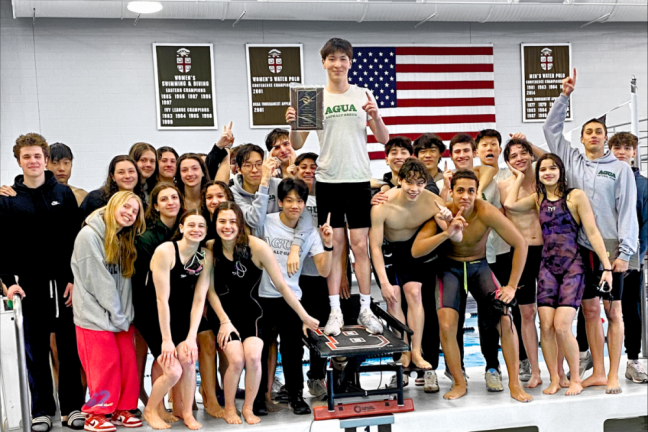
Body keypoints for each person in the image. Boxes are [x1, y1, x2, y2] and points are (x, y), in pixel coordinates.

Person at [286, 37, 389, 337]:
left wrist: (376, 116)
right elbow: (297, 143)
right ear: (324, 63)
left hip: (358, 179)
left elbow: (383, 138)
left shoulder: (363, 93)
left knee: (361, 247)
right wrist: (294, 123)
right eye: (331, 58)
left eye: (343, 58)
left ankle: (366, 308)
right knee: (334, 246)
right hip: (329, 181)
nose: (337, 64)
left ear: (350, 62)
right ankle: (335, 311)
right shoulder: (313, 99)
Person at [544, 69, 638, 394]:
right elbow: (550, 129)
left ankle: (612, 374)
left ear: (606, 137)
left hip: (612, 247)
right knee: (590, 310)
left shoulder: (620, 169)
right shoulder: (573, 162)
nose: (594, 136)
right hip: (581, 247)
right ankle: (597, 371)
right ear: (581, 139)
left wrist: (624, 254)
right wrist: (564, 95)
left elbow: (627, 212)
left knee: (614, 312)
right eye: (588, 132)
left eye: (599, 131)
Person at [412, 170, 532, 403]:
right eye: (460, 190)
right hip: (449, 270)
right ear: (452, 192)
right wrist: (447, 232)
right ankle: (458, 381)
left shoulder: (486, 211)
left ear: (477, 192)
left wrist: (511, 286)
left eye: (471, 191)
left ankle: (514, 383)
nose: (465, 196)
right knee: (446, 323)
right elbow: (416, 250)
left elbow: (520, 243)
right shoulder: (441, 213)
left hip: (480, 268)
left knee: (505, 318)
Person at [504, 153, 613, 396]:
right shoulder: (538, 198)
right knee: (546, 327)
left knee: (563, 325)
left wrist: (606, 267)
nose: (548, 173)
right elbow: (510, 204)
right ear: (539, 174)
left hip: (573, 268)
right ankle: (555, 377)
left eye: (552, 168)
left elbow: (593, 232)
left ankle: (575, 378)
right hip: (547, 269)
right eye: (543, 170)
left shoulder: (575, 196)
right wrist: (519, 177)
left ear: (561, 171)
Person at [0, 133, 85, 432]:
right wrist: (9, 283)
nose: (33, 161)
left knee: (69, 350)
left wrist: (75, 280)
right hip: (29, 287)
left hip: (64, 286)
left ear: (45, 159)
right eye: (27, 157)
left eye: (37, 156)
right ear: (19, 161)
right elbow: (2, 246)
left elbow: (77, 242)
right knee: (35, 352)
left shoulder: (63, 194)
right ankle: (42, 411)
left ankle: (73, 407)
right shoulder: (8, 199)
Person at [206, 201, 320, 423]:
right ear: (215, 223)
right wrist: (223, 321)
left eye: (232, 221)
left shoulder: (256, 247)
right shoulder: (210, 248)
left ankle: (248, 407)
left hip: (253, 315)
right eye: (222, 221)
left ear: (240, 224)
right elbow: (209, 291)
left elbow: (282, 284)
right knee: (237, 360)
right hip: (224, 317)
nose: (227, 226)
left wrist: (304, 315)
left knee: (254, 356)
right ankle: (230, 407)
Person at [370, 159, 452, 391]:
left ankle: (416, 351)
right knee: (393, 296)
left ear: (426, 183)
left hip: (412, 250)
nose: (414, 188)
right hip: (387, 250)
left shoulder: (434, 201)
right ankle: (403, 350)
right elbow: (374, 247)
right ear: (399, 181)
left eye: (420, 183)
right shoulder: (382, 205)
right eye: (409, 183)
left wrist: (448, 219)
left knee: (414, 293)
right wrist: (384, 283)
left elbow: (453, 234)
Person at [253, 179, 333, 415]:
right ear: (279, 202)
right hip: (261, 297)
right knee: (261, 348)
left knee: (293, 349)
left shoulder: (309, 232)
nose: (295, 205)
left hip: (291, 299)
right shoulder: (266, 223)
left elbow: (324, 271)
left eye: (299, 201)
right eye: (289, 200)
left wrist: (328, 245)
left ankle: (296, 396)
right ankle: (258, 397)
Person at [71, 191, 146, 432]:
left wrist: (124, 316)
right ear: (113, 205)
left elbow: (123, 282)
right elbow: (99, 282)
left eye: (134, 211)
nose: (129, 213)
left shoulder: (122, 236)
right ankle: (96, 413)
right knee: (104, 366)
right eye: (126, 207)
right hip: (94, 317)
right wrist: (117, 315)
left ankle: (121, 409)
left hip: (120, 317)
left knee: (127, 365)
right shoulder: (89, 236)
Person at [140, 209, 212, 430]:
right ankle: (151, 410)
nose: (196, 229)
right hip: (153, 315)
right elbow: (161, 299)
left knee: (189, 359)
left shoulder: (204, 256)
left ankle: (186, 412)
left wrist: (191, 338)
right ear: (181, 228)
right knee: (173, 370)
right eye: (191, 225)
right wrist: (167, 340)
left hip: (181, 313)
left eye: (201, 226)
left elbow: (199, 300)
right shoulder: (166, 251)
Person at [131, 183, 188, 422]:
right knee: (166, 359)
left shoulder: (186, 229)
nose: (171, 202)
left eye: (174, 197)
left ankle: (168, 406)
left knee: (164, 359)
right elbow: (148, 280)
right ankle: (153, 408)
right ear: (155, 206)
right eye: (164, 199)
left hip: (176, 306)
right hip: (150, 307)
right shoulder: (146, 237)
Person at [498, 137, 544, 388]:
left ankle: (557, 371)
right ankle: (535, 371)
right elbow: (506, 207)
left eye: (524, 153)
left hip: (548, 253)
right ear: (508, 162)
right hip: (522, 254)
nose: (520, 158)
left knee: (550, 315)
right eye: (514, 156)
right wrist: (516, 178)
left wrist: (531, 145)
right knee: (527, 313)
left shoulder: (546, 179)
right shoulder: (505, 185)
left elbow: (551, 158)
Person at [609, 132, 648, 384]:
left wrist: (635, 257)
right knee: (590, 308)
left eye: (627, 148)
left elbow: (646, 224)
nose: (621, 151)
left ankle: (633, 360)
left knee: (631, 310)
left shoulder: (643, 184)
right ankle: (584, 355)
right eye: (616, 147)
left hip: (630, 259)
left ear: (634, 152)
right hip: (601, 257)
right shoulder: (601, 179)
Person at [80, 155, 145, 219]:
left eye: (131, 171)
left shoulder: (142, 202)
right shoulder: (95, 199)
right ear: (113, 177)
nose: (127, 176)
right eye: (121, 172)